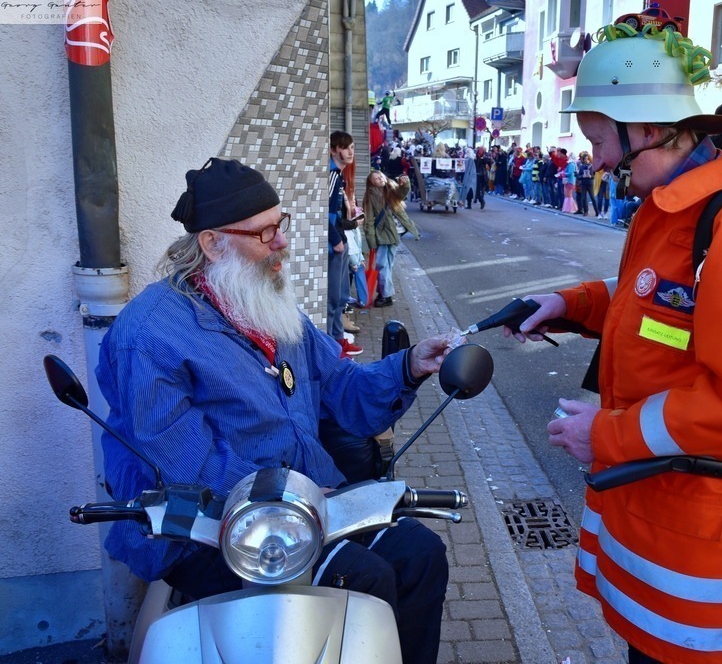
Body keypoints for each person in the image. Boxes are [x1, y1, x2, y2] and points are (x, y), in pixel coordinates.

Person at [505, 23, 722, 663]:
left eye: (597, 140)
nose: (596, 161)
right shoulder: (666, 209)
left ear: (643, 128)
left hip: (697, 536)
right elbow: (650, 307)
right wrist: (567, 305)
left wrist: (607, 436)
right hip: (658, 513)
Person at [97, 158, 456, 664]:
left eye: (280, 225)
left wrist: (409, 368)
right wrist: (290, 499)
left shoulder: (273, 311)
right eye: (265, 233)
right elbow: (182, 465)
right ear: (212, 242)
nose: (282, 243)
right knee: (365, 577)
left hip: (306, 504)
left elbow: (343, 389)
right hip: (207, 526)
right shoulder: (151, 332)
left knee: (422, 556)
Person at [326, 131, 363, 355]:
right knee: (333, 298)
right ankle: (331, 345)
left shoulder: (338, 175)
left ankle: (338, 340)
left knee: (340, 295)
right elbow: (324, 212)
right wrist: (336, 239)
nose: (350, 151)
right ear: (333, 150)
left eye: (352, 147)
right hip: (335, 245)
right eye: (345, 147)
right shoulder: (331, 174)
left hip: (340, 240)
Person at [363, 170, 420, 308]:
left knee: (383, 265)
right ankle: (384, 293)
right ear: (371, 183)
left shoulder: (391, 187)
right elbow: (369, 220)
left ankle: (386, 295)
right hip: (383, 233)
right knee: (384, 264)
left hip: (395, 232)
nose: (380, 179)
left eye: (381, 176)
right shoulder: (370, 196)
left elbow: (402, 193)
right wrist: (371, 240)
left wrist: (405, 184)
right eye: (376, 179)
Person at [576, 151, 597, 216]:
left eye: (587, 159)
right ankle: (586, 211)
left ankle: (597, 211)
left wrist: (591, 176)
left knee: (593, 198)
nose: (586, 160)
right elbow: (578, 176)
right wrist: (582, 176)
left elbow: (595, 175)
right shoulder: (582, 166)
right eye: (585, 159)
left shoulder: (592, 166)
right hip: (583, 183)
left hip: (590, 183)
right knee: (584, 198)